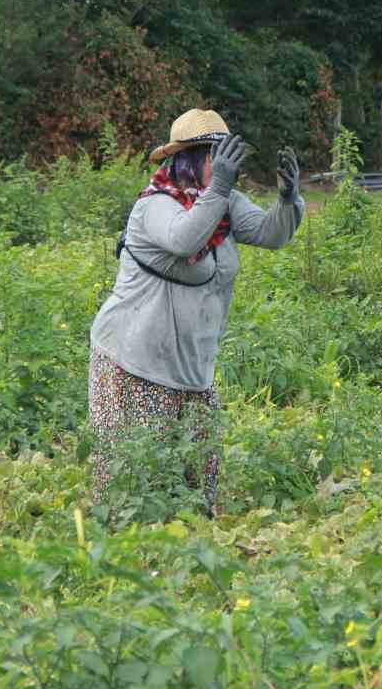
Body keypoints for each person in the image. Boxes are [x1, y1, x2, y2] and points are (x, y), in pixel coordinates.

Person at [88, 108, 304, 509]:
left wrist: (288, 198)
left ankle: (193, 552)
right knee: (137, 478)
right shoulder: (155, 206)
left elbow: (269, 233)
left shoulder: (223, 202)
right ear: (187, 159)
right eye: (212, 155)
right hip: (136, 360)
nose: (224, 165)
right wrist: (218, 189)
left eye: (227, 156)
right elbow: (186, 239)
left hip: (191, 363)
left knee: (198, 479)